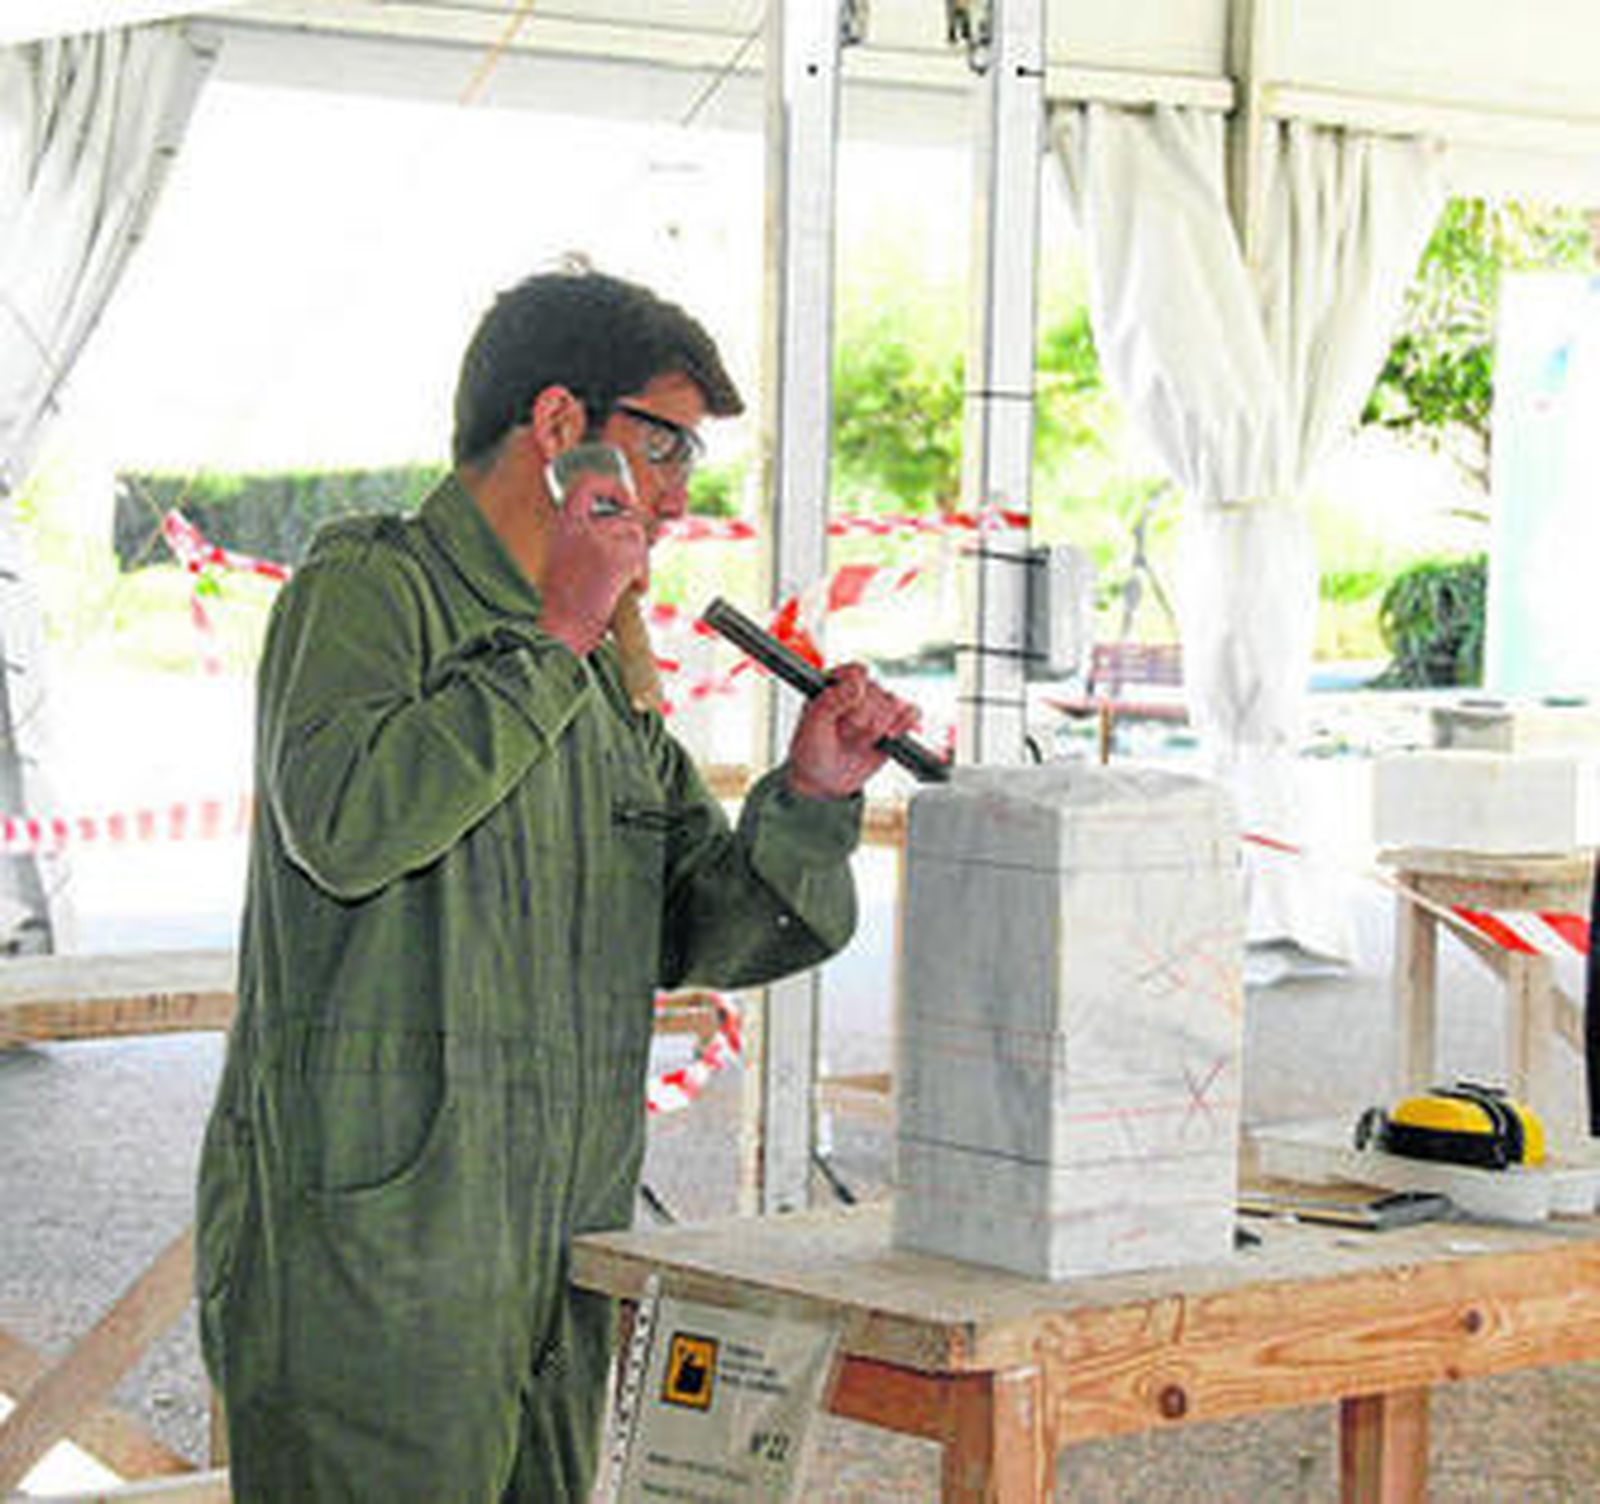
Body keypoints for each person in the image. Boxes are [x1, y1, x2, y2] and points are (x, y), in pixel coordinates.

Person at [194, 268, 920, 1502]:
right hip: (376, 1280)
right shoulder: (371, 592)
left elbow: (698, 919)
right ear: (554, 428)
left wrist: (808, 795)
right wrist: (558, 639)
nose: (684, 490)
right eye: (665, 442)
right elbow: (349, 825)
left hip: (558, 1268)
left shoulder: (596, 671)